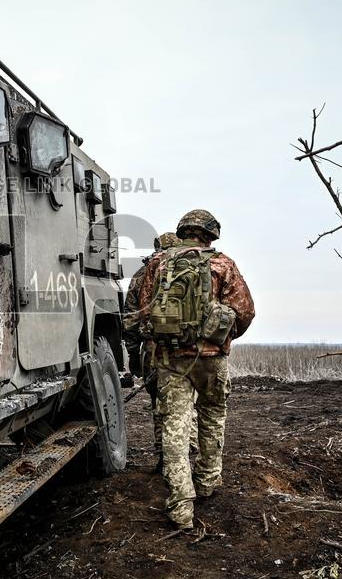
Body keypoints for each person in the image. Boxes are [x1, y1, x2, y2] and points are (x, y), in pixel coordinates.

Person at [138, 210, 254, 529]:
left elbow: (143, 307)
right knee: (213, 414)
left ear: (183, 231)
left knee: (175, 423)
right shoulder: (222, 264)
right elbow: (245, 311)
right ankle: (206, 482)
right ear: (210, 233)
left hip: (170, 358)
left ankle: (180, 506)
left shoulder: (159, 263)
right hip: (211, 358)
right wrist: (223, 337)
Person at [123, 232, 181, 470]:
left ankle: (163, 459)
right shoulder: (191, 269)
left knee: (160, 405)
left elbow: (130, 318)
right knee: (188, 404)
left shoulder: (142, 274)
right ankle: (189, 459)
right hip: (190, 350)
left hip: (154, 350)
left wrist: (134, 355)